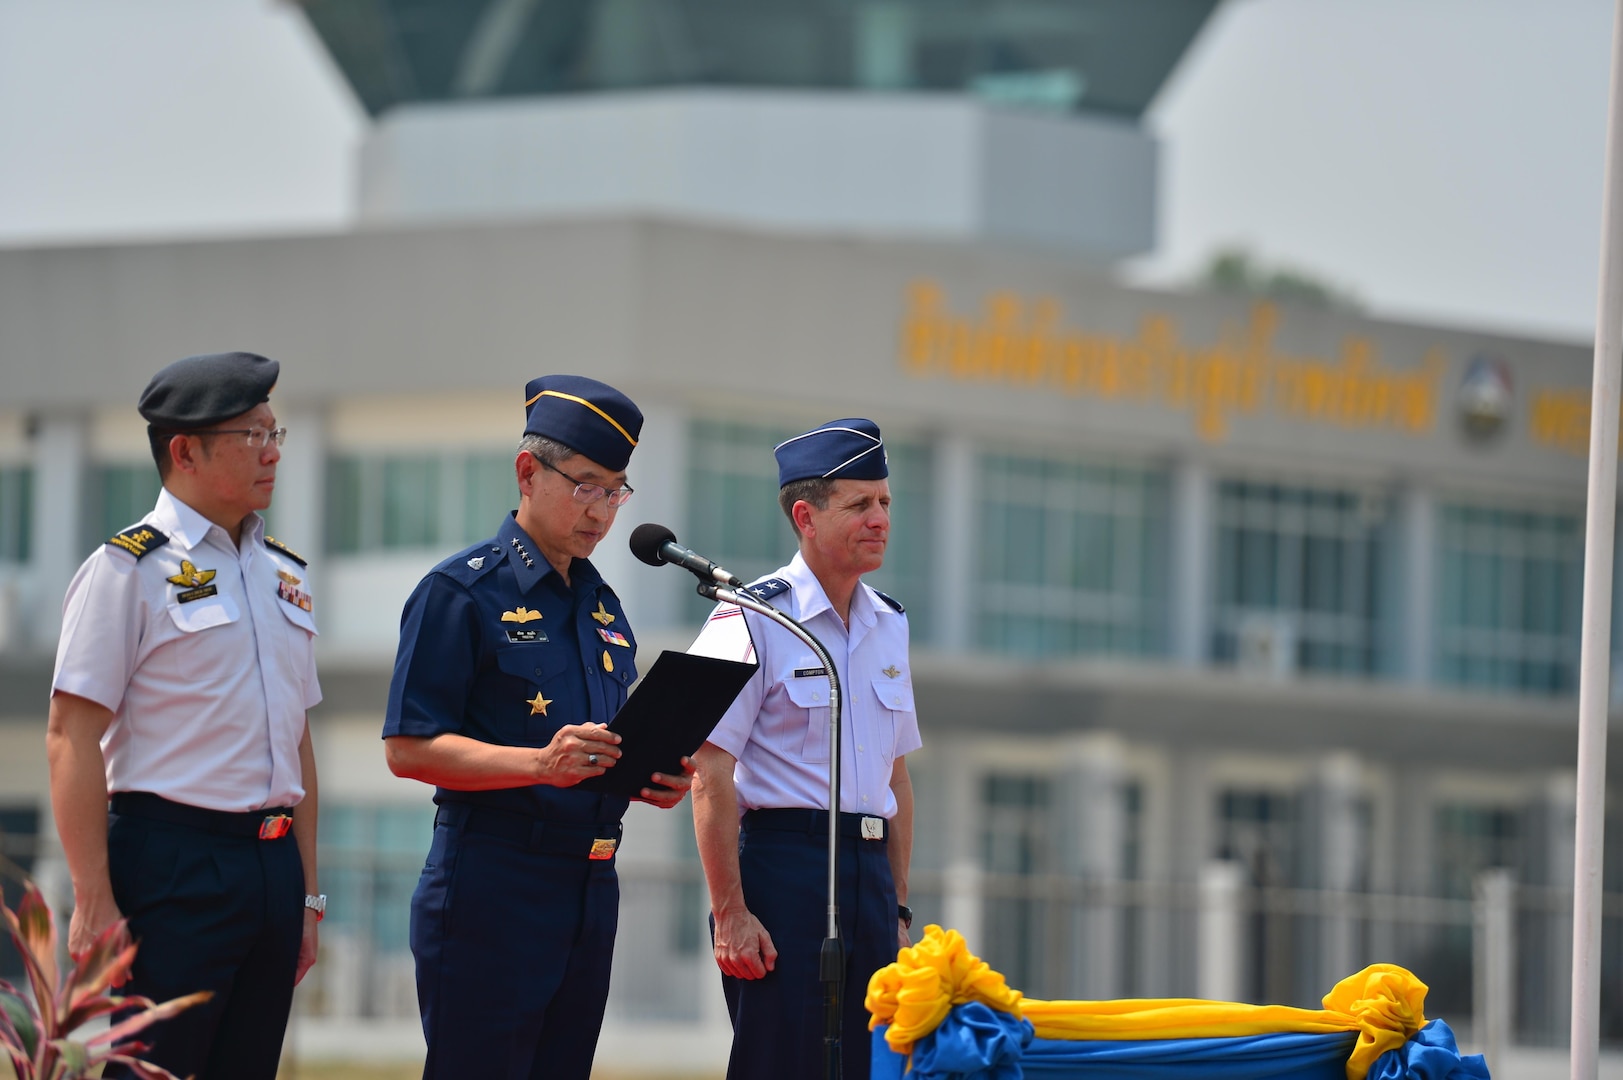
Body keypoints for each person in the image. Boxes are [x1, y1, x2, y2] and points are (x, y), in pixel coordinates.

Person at [383, 374, 695, 1079]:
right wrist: (537, 765)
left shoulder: (603, 607)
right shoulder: (459, 592)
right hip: (492, 882)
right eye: (586, 485)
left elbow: (599, 749)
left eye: (616, 490)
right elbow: (406, 748)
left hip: (590, 882)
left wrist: (647, 773)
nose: (603, 510)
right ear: (529, 471)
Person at [46, 351, 323, 1079]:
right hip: (173, 861)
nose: (271, 452)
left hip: (270, 863)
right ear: (185, 451)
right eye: (252, 435)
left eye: (276, 434)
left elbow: (297, 738)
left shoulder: (283, 571)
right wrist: (92, 897)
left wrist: (307, 889)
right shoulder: (127, 569)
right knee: (153, 1071)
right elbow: (69, 736)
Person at [687, 417, 921, 1080]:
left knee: (868, 1066)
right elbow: (709, 771)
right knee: (780, 1063)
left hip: (870, 876)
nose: (879, 518)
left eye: (885, 503)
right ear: (805, 516)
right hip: (784, 870)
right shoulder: (751, 615)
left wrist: (897, 908)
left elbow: (895, 778)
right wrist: (729, 914)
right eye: (859, 505)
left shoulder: (889, 623)